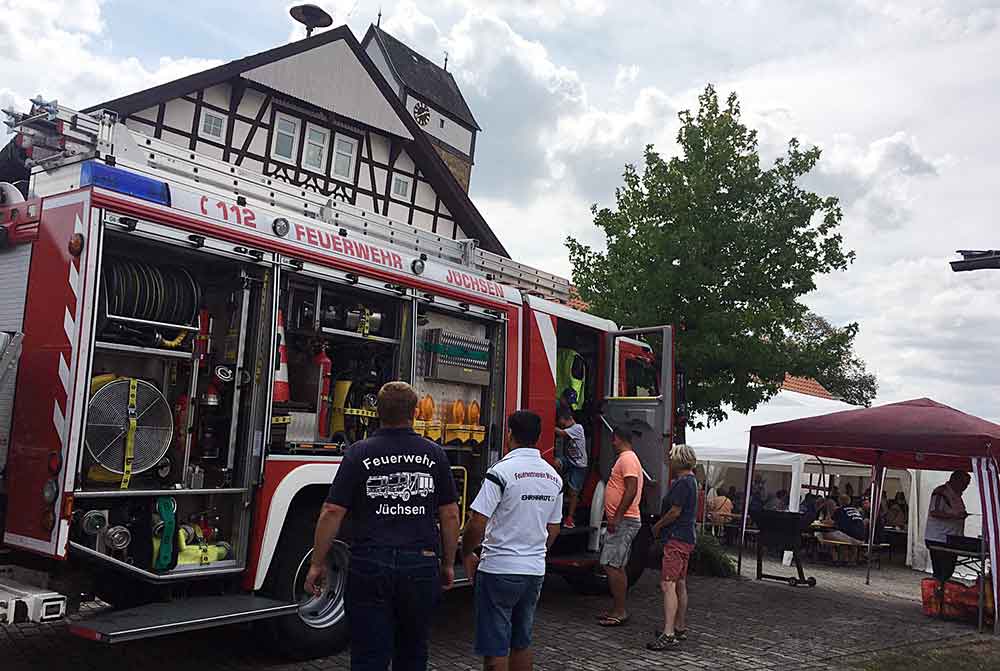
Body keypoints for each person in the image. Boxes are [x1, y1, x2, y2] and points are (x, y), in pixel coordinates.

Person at [305, 382, 460, 671]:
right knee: (413, 652)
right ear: (415, 413)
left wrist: (317, 563)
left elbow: (332, 511)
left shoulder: (358, 453)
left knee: (368, 655)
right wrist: (448, 563)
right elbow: (450, 514)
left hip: (369, 563)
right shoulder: (434, 454)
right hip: (420, 563)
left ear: (377, 412)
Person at [462, 410, 563, 671]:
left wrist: (467, 551)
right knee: (522, 642)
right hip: (534, 571)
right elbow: (554, 527)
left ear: (509, 435)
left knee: (496, 647)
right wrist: (537, 552)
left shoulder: (501, 472)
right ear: (539, 437)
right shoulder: (554, 478)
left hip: (498, 569)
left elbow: (477, 521)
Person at [647, 444, 699, 651]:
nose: (669, 459)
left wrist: (657, 526)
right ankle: (679, 627)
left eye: (671, 457)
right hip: (687, 538)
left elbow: (675, 511)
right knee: (680, 584)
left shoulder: (681, 483)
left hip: (675, 538)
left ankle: (668, 633)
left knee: (668, 584)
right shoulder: (692, 481)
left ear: (678, 460)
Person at [596, 426, 644, 627]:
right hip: (625, 519)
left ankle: (620, 611)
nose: (612, 443)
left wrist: (617, 516)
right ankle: (617, 608)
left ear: (618, 438)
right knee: (618, 565)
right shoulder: (629, 458)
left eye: (613, 439)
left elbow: (631, 489)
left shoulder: (626, 459)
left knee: (610, 564)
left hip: (624, 520)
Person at [925, 471, 972, 582]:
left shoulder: (956, 495)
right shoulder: (941, 493)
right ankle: (937, 594)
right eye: (964, 484)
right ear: (955, 480)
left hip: (952, 539)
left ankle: (943, 592)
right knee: (941, 572)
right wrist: (954, 515)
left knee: (947, 571)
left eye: (967, 484)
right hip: (939, 538)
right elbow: (934, 512)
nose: (965, 487)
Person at [554, 406, 587, 528]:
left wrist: (548, 425)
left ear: (564, 419)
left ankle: (570, 518)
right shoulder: (570, 428)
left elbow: (561, 433)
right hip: (569, 460)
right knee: (556, 462)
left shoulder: (577, 428)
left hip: (579, 465)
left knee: (573, 492)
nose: (559, 424)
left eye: (559, 421)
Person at [821, 495, 866, 562]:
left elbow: (831, 523)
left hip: (852, 538)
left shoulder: (840, 510)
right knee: (843, 534)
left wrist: (824, 520)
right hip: (862, 539)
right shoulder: (856, 510)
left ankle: (834, 557)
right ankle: (848, 558)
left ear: (840, 502)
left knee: (824, 535)